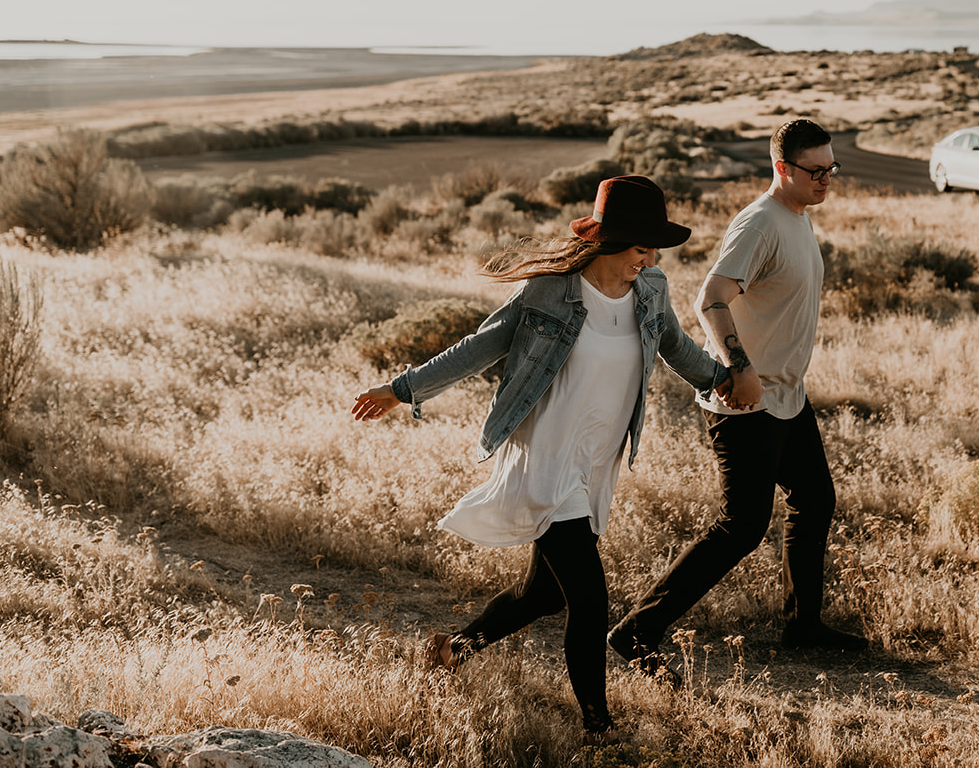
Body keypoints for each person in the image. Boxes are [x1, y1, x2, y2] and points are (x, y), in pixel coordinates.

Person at [350, 175, 727, 738]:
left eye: (654, 250)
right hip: (547, 457)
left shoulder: (651, 290)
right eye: (640, 248)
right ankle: (599, 726)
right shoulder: (550, 292)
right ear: (608, 241)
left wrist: (723, 379)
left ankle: (452, 649)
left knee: (542, 594)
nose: (647, 260)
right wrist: (402, 389)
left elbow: (675, 346)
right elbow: (479, 346)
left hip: (596, 461)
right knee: (590, 600)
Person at [607, 118, 867, 669]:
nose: (826, 180)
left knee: (814, 500)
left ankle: (804, 626)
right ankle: (635, 634)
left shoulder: (797, 217)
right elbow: (711, 297)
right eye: (815, 171)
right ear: (782, 168)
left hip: (787, 398)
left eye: (831, 169)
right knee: (741, 527)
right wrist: (738, 366)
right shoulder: (760, 223)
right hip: (746, 402)